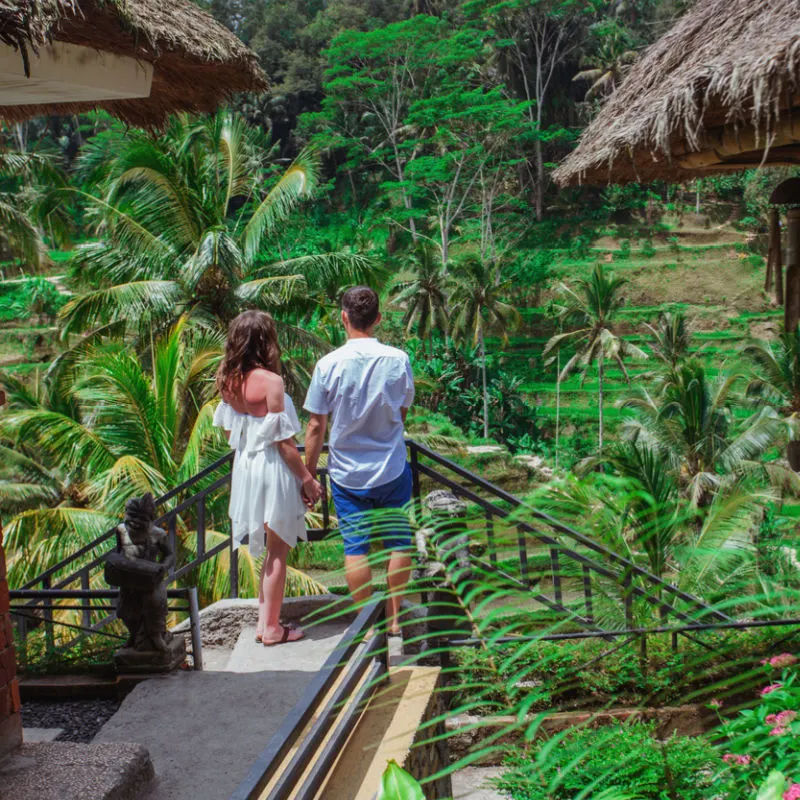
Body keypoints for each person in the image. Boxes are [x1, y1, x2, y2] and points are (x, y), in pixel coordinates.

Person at [304, 286, 415, 635]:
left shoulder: (328, 364)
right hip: (391, 469)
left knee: (356, 548)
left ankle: (367, 624)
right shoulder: (398, 359)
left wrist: (308, 474)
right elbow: (403, 409)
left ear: (344, 318)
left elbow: (315, 425)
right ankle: (395, 619)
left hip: (347, 474)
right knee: (399, 542)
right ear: (378, 319)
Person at [214, 310, 322, 646]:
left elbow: (233, 430)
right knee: (278, 551)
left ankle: (266, 623)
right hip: (273, 467)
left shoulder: (227, 380)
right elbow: (285, 444)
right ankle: (273, 629)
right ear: (266, 341)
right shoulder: (272, 382)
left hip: (246, 466)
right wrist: (307, 478)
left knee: (270, 550)